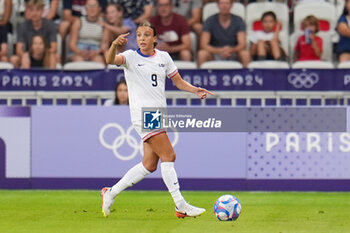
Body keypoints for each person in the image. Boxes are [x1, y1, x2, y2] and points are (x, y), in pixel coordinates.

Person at [103, 22, 213, 218]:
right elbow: (111, 60)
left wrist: (195, 90)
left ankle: (110, 193)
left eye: (146, 35)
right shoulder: (130, 57)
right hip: (144, 114)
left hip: (158, 114)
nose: (142, 38)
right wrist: (114, 45)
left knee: (149, 165)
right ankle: (180, 205)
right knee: (169, 156)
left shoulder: (164, 57)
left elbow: (177, 81)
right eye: (139, 35)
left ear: (155, 39)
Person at [197, 0, 250, 67]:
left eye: (227, 3)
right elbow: (204, 44)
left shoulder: (239, 21)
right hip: (214, 53)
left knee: (245, 54)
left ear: (231, 5)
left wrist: (231, 50)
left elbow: (242, 44)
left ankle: (247, 76)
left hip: (233, 53)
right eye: (222, 3)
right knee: (202, 54)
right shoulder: (210, 20)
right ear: (218, 5)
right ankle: (201, 76)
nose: (224, 6)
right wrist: (219, 50)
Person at [10, 0, 57, 68]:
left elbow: (54, 48)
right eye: (32, 10)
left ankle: (50, 77)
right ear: (28, 11)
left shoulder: (50, 25)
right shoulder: (23, 26)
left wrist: (41, 53)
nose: (35, 13)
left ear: (42, 11)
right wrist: (27, 55)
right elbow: (19, 49)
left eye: (37, 10)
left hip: (45, 55)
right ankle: (24, 77)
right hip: (28, 55)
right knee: (14, 59)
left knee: (54, 57)